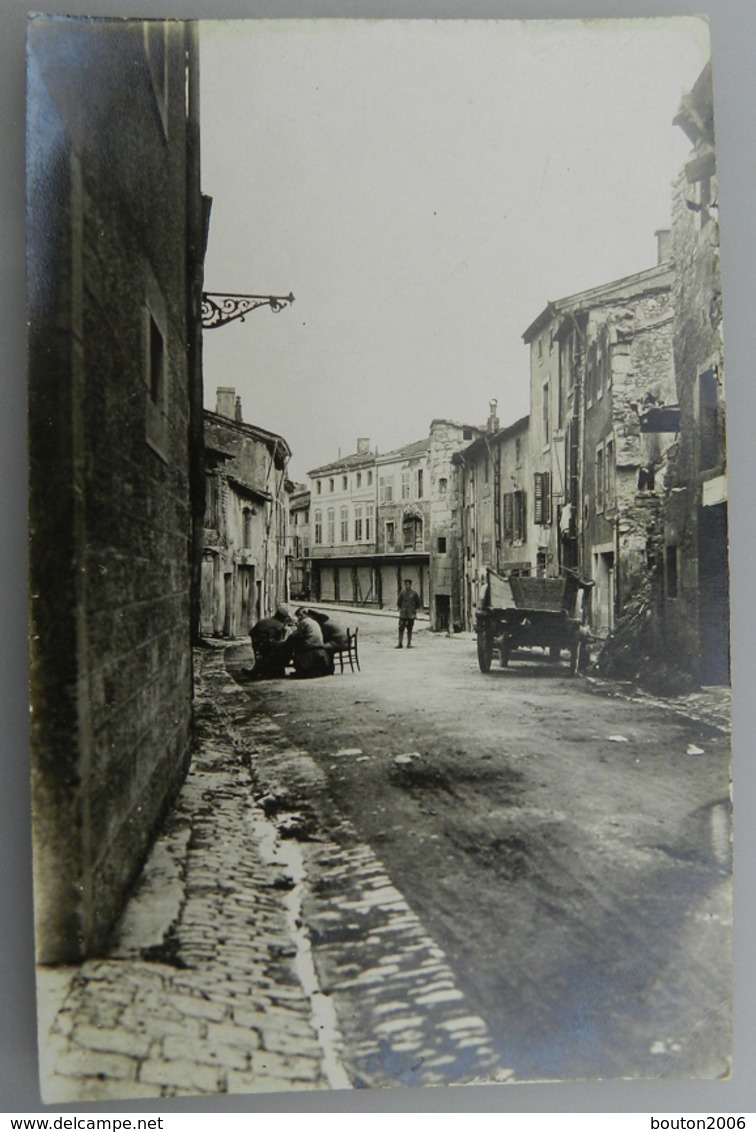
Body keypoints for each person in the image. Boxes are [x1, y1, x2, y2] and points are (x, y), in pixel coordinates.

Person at [248, 603, 294, 679]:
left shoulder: (263, 621)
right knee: (287, 646)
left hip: (257, 645)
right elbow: (278, 641)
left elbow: (251, 633)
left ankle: (257, 670)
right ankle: (277, 669)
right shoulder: (279, 625)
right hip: (268, 648)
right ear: (284, 618)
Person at [289, 608, 332, 678]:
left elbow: (296, 635)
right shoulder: (313, 621)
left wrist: (291, 634)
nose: (298, 618)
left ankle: (300, 669)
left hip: (310, 645)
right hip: (319, 644)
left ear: (301, 615)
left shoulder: (304, 622)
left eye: (299, 616)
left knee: (293, 644)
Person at [396, 579, 421, 649]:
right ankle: (400, 643)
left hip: (411, 614)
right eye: (406, 584)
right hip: (403, 614)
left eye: (408, 584)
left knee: (409, 628)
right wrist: (402, 609)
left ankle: (409, 643)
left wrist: (413, 610)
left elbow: (418, 603)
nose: (407, 586)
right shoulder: (402, 593)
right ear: (404, 585)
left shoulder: (414, 594)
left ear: (410, 585)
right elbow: (398, 603)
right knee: (401, 628)